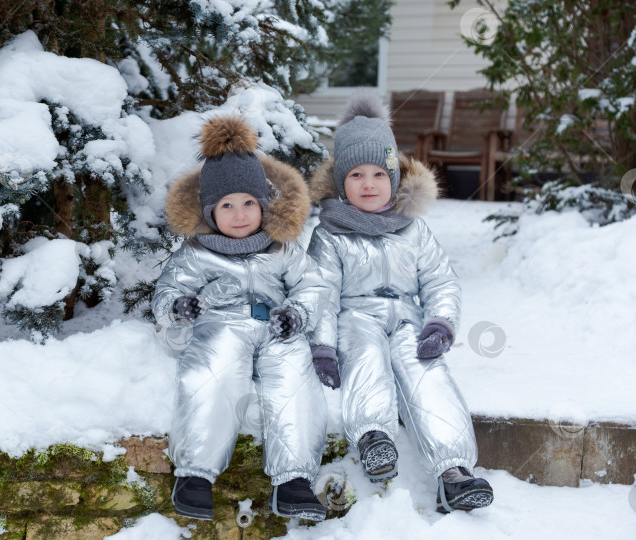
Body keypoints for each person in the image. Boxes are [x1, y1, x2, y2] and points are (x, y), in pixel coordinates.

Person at [306, 92, 494, 513]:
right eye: (356, 175)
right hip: (356, 317)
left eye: (379, 174)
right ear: (341, 182)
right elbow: (320, 293)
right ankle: (374, 437)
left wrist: (439, 323)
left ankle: (454, 472)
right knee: (365, 357)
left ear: (394, 177)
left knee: (427, 373)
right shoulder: (330, 234)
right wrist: (322, 345)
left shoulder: (413, 229)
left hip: (409, 320)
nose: (368, 184)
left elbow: (440, 279)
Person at [152, 114, 328, 521]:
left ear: (264, 205)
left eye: (249, 203)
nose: (240, 214)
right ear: (210, 211)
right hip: (222, 325)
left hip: (277, 326)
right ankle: (195, 476)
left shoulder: (282, 247)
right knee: (212, 376)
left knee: (294, 380)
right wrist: (179, 307)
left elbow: (313, 285)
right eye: (227, 206)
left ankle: (294, 480)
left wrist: (298, 314)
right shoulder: (196, 253)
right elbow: (167, 292)